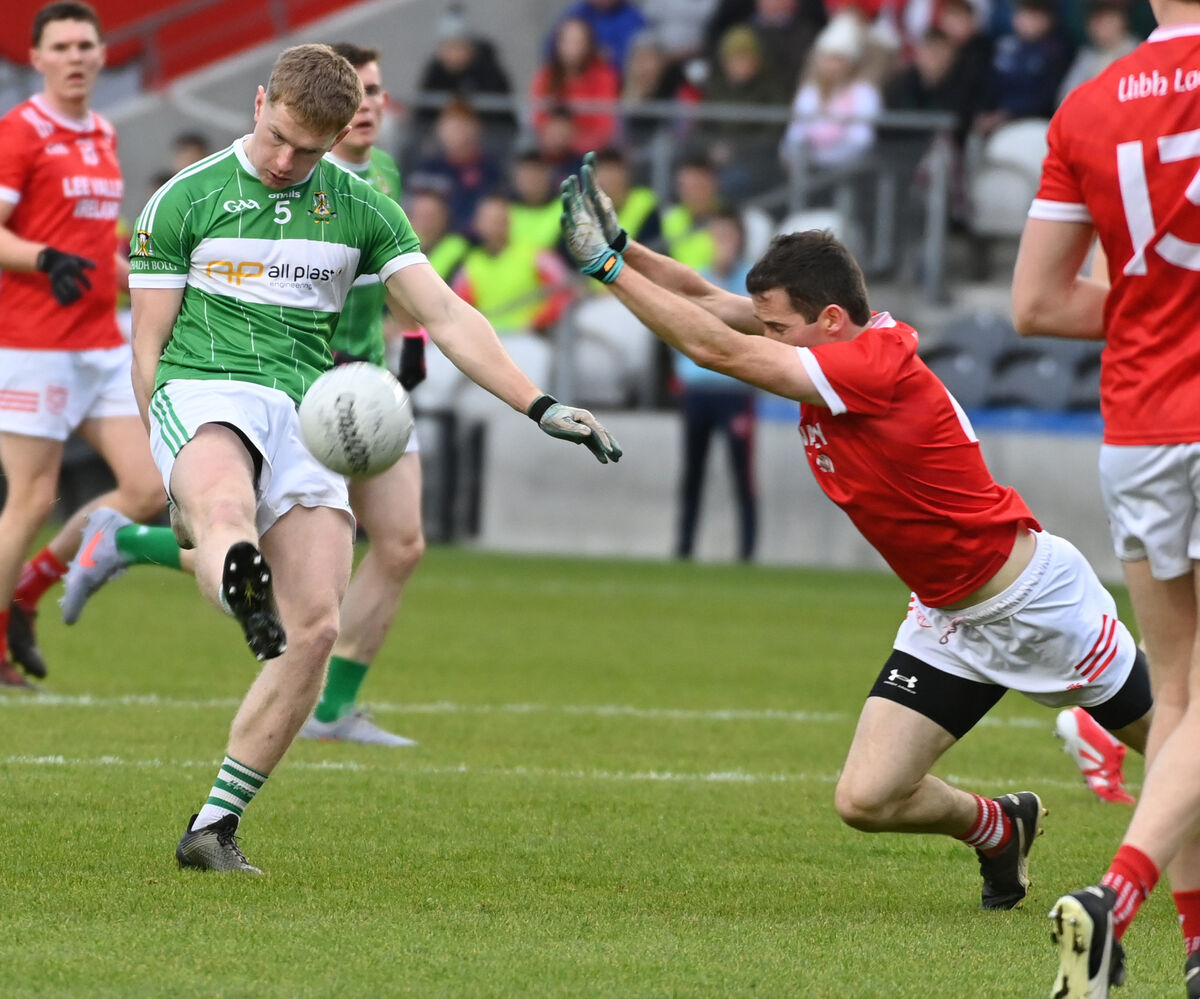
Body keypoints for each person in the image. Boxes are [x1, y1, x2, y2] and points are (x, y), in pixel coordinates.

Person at [560, 158, 1151, 918]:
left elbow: (718, 349)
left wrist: (605, 271)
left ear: (832, 319)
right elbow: (709, 304)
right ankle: (999, 827)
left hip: (1037, 606)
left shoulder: (871, 363)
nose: (768, 337)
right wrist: (625, 246)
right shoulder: (834, 342)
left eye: (779, 328)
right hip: (949, 617)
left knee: (1178, 751)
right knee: (867, 798)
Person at [124, 43, 621, 874]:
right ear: (259, 103)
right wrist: (164, 461)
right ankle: (235, 568)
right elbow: (147, 347)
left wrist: (539, 404)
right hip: (204, 386)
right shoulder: (185, 198)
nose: (285, 162)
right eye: (278, 138)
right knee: (222, 506)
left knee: (318, 626)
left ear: (336, 140)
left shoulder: (361, 207)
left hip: (309, 411)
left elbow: (447, 316)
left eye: (307, 151)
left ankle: (213, 826)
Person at [63, 42, 437, 748]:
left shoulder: (377, 183)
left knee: (401, 543)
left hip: (357, 385)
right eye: (362, 89)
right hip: (276, 381)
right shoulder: (217, 191)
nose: (371, 105)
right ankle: (135, 541)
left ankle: (329, 703)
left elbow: (416, 284)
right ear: (270, 106)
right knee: (251, 529)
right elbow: (154, 339)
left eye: (378, 92)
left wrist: (413, 337)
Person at [1010, 0, 1200, 992]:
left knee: (1179, 695)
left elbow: (1037, 301)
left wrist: (1160, 309)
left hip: (1140, 427)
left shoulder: (1088, 104)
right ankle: (1115, 897)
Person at [0, 1, 166, 688]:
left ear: (102, 55)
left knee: (149, 487)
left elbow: (97, 250)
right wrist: (45, 260)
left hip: (100, 341)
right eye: (62, 46)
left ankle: (28, 589)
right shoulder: (20, 131)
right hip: (33, 343)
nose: (75, 57)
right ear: (36, 58)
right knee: (33, 498)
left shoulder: (101, 131)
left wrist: (152, 281)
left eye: (85, 45)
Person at [672, 211, 758, 562]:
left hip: (734, 391)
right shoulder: (697, 279)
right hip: (697, 391)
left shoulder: (752, 285)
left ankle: (747, 552)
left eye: (728, 234)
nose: (723, 242)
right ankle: (684, 548)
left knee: (742, 473)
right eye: (717, 234)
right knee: (692, 472)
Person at [529, 17, 622, 156]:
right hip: (550, 153)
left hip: (592, 154)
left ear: (589, 44)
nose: (572, 48)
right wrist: (554, 136)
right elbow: (537, 119)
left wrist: (571, 139)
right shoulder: (546, 76)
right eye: (567, 41)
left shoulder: (604, 77)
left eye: (578, 42)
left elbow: (605, 124)